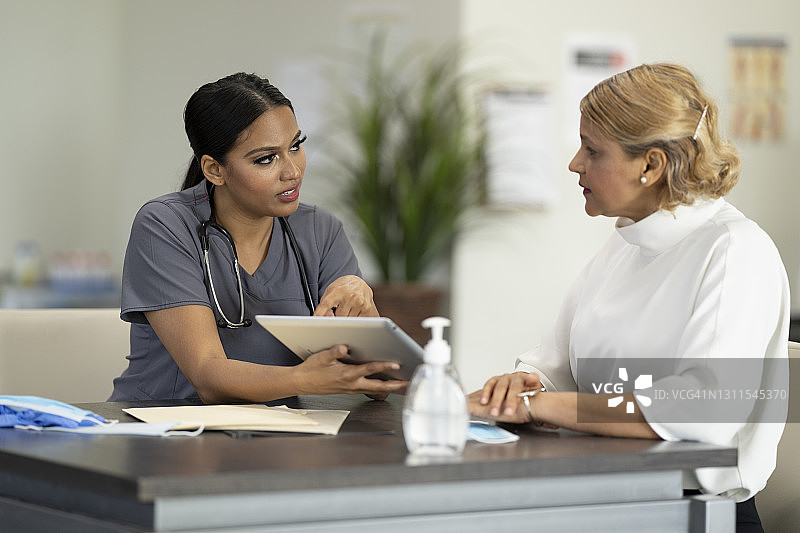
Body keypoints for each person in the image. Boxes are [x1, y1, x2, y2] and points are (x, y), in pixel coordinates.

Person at [467, 63, 789, 532]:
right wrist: (525, 384)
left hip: (695, 512)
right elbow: (554, 365)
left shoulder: (735, 251)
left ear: (651, 165)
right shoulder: (624, 243)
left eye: (592, 150)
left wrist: (548, 408)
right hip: (611, 495)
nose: (575, 164)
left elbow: (705, 411)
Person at [110, 73, 408, 403]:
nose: (292, 171)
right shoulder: (165, 226)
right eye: (266, 159)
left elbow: (377, 384)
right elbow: (208, 376)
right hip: (166, 432)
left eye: (295, 146)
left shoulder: (321, 231)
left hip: (278, 437)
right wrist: (304, 379)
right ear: (214, 170)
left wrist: (365, 308)